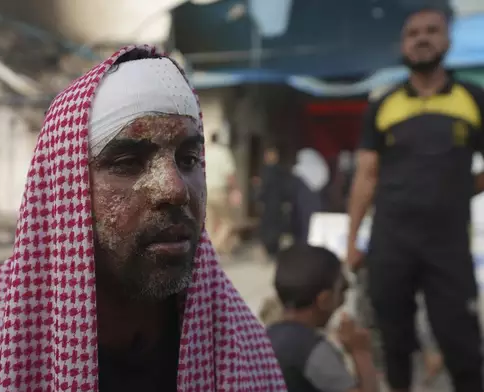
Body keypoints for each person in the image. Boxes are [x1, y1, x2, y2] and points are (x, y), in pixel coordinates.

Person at [0, 46, 286, 391]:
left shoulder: (241, 348)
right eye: (127, 162)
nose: (176, 189)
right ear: (67, 191)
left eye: (189, 159)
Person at [346, 7, 484, 392]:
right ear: (403, 45)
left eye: (432, 31)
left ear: (447, 40)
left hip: (449, 248)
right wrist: (352, 241)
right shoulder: (384, 104)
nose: (422, 38)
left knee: (463, 348)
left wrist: (459, 188)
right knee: (394, 345)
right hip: (391, 244)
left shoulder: (473, 99)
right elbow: (366, 176)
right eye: (413, 33)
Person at [267, 244, 379, 392]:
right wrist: (361, 352)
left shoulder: (266, 336)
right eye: (342, 289)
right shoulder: (312, 350)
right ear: (324, 300)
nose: (343, 299)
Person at [204, 132, 240, 254]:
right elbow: (229, 174)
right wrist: (235, 189)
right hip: (219, 191)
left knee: (210, 224)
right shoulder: (223, 152)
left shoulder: (205, 152)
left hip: (206, 190)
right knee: (228, 222)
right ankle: (213, 247)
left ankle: (209, 249)